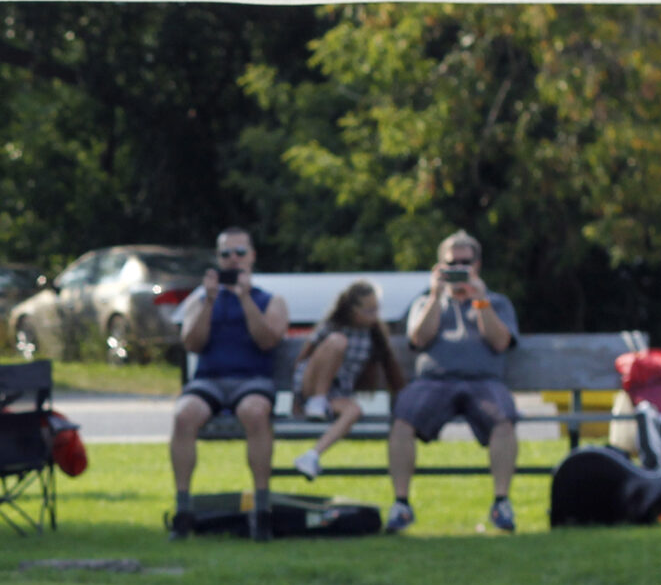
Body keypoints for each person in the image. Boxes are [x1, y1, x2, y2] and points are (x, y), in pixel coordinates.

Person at [387, 230, 521, 535]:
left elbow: (500, 343)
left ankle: (501, 502)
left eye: (465, 263)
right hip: (434, 382)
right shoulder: (425, 301)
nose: (458, 270)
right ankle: (401, 504)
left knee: (504, 419)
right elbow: (419, 339)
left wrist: (480, 301)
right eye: (451, 264)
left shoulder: (496, 303)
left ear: (478, 264)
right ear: (439, 267)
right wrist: (436, 296)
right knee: (402, 420)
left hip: (483, 382)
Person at [168, 227, 291, 542]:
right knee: (183, 415)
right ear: (218, 259)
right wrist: (209, 302)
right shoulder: (202, 298)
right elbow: (192, 343)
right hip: (209, 381)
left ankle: (261, 509)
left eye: (239, 253)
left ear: (252, 256)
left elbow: (268, 341)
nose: (233, 260)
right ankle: (183, 509)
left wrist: (246, 298)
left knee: (255, 412)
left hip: (252, 380)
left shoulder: (270, 300)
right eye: (226, 254)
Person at [290, 281, 406, 481]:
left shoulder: (374, 334)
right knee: (337, 342)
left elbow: (390, 369)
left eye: (376, 309)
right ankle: (317, 400)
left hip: (337, 393)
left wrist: (403, 397)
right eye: (369, 310)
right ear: (353, 310)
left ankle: (312, 456)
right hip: (311, 387)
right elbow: (305, 357)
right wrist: (297, 401)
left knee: (354, 411)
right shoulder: (333, 327)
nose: (374, 315)